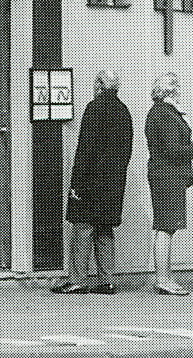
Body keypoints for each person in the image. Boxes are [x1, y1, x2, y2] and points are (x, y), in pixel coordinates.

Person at [52, 70, 133, 295]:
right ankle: (107, 280)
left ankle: (77, 280)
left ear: (98, 85)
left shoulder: (94, 108)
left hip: (91, 180)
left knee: (82, 227)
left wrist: (76, 184)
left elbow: (85, 150)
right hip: (114, 181)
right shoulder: (124, 111)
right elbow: (126, 152)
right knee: (105, 228)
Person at [145, 72, 193, 296]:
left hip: (165, 174)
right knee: (166, 227)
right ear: (171, 90)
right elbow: (173, 150)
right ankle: (163, 279)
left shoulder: (160, 112)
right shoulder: (164, 114)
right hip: (168, 176)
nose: (180, 92)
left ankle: (164, 277)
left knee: (166, 227)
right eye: (177, 88)